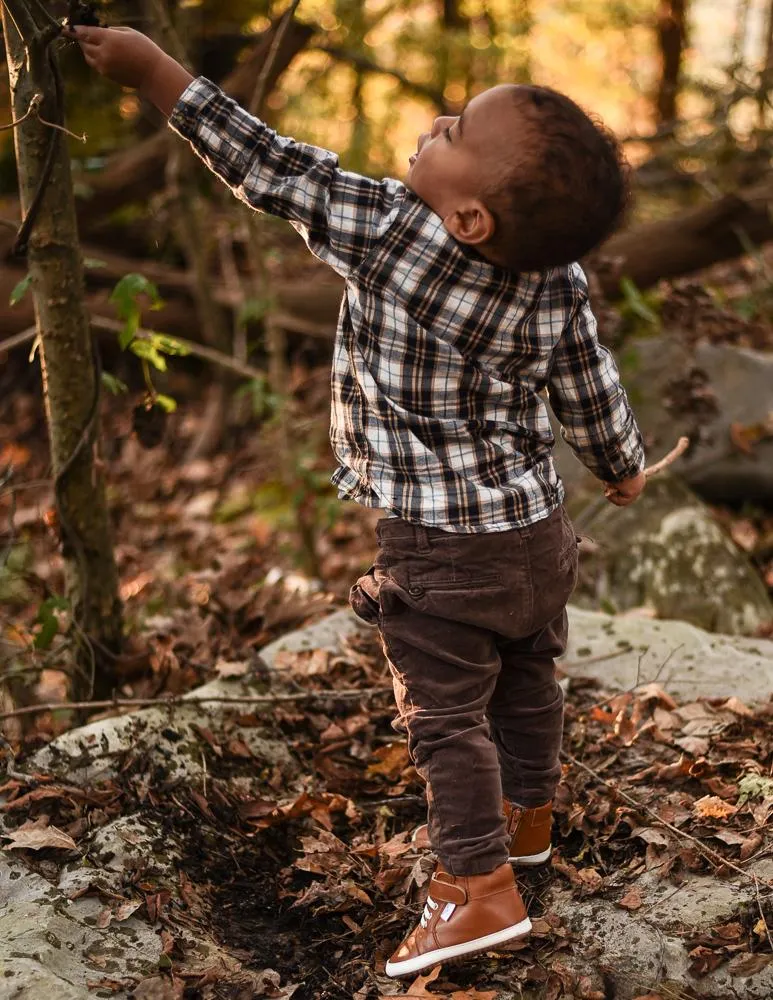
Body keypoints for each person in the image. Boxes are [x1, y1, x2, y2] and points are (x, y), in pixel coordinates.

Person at [68, 22, 646, 979]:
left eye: (454, 130)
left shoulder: (384, 228)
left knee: (446, 717)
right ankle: (526, 820)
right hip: (537, 536)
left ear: (467, 217)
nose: (430, 122)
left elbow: (264, 162)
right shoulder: (558, 282)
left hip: (438, 546)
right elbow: (589, 385)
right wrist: (620, 466)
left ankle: (476, 888)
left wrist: (154, 71)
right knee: (529, 673)